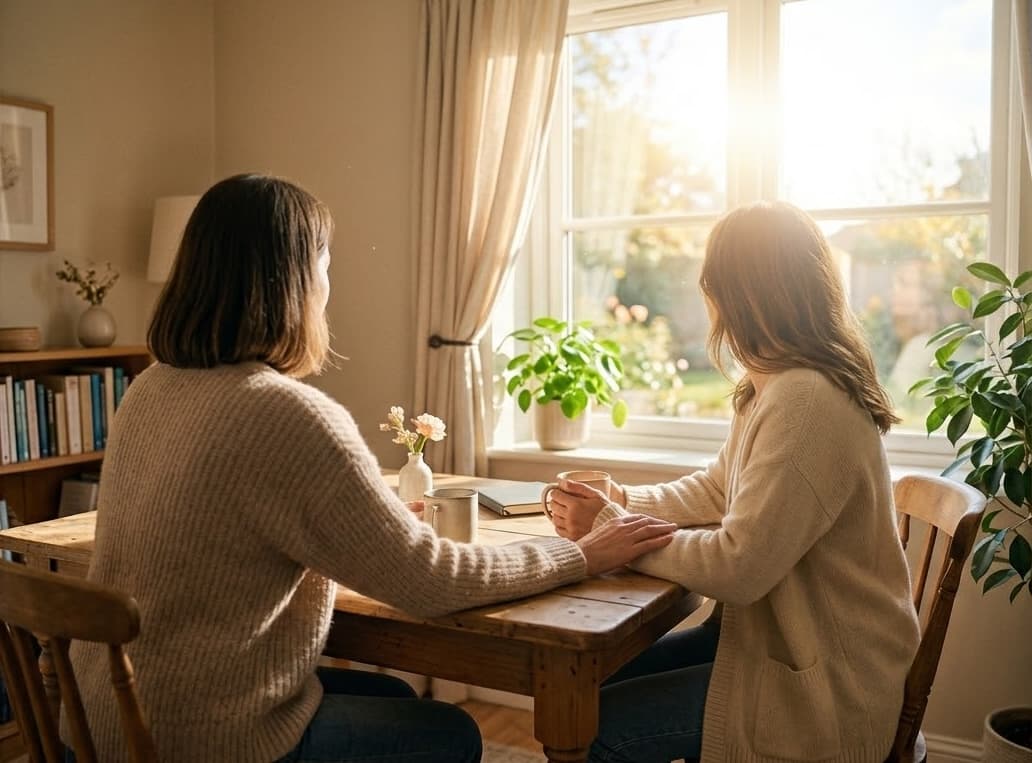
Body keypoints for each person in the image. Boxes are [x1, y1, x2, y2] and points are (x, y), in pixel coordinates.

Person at [64, 174, 677, 763]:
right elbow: (432, 582)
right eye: (326, 266)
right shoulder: (286, 412)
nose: (329, 285)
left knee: (394, 699)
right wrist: (584, 555)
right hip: (205, 740)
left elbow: (219, 538)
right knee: (453, 733)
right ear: (295, 281)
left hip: (103, 721)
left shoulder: (150, 389)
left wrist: (359, 532)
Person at [548, 201, 921, 763]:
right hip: (771, 645)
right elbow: (719, 491)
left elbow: (740, 567)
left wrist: (610, 528)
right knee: (583, 686)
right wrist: (623, 502)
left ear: (742, 293)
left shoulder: (806, 401)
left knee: (594, 725)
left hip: (821, 682)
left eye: (714, 286)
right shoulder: (775, 382)